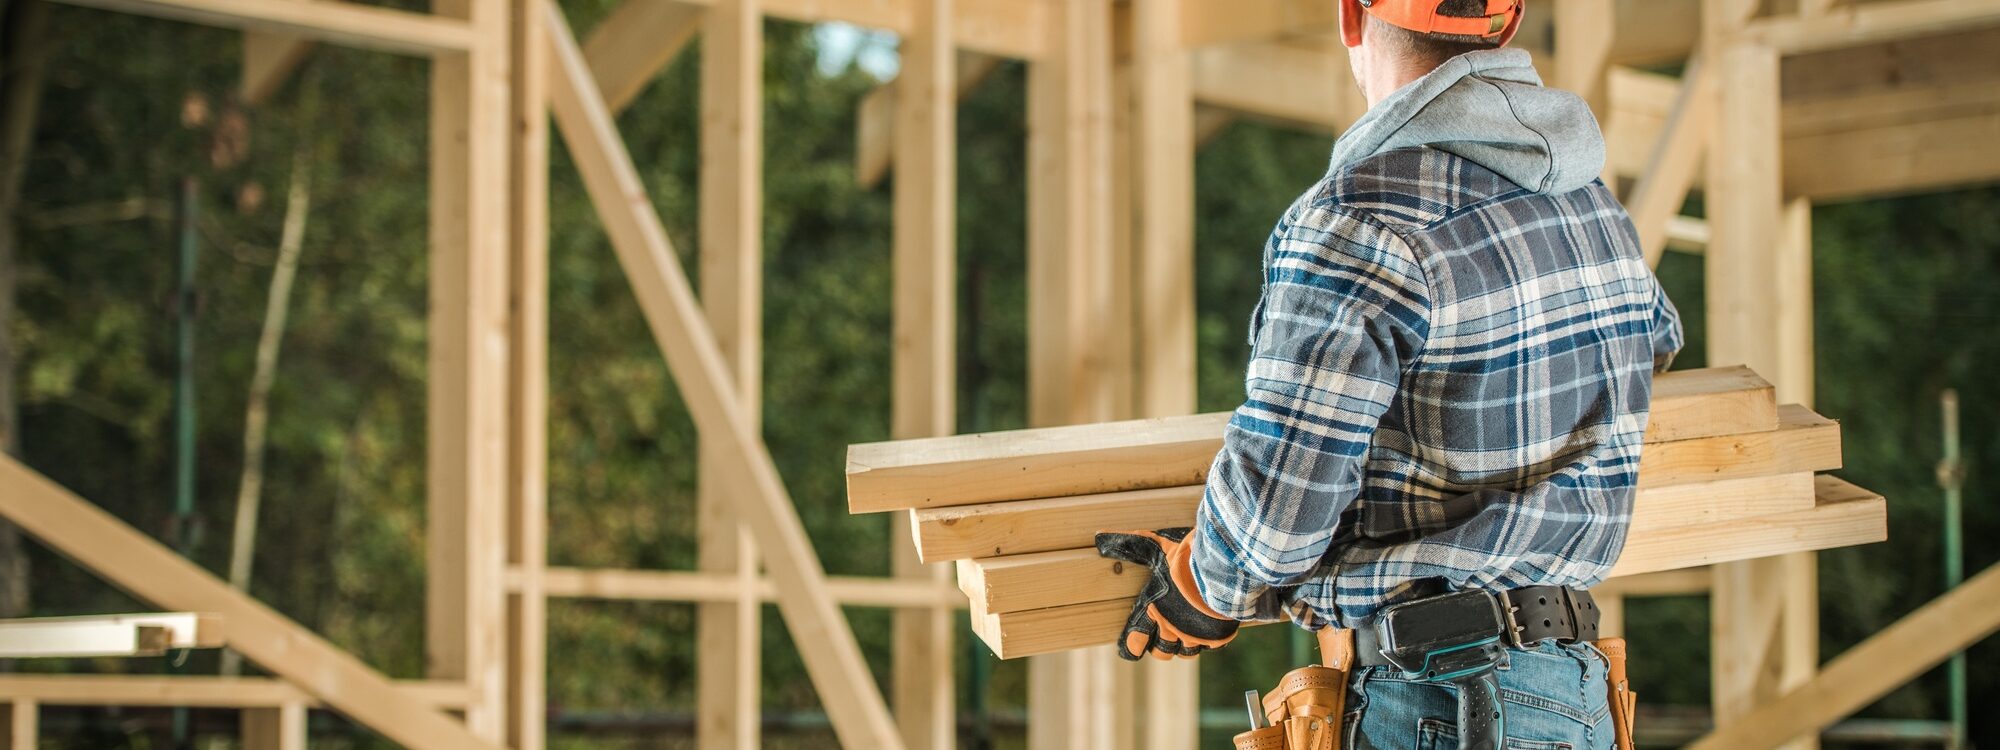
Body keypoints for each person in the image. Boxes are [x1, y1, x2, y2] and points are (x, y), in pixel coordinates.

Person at [1093, 0, 1683, 747]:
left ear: (1350, 15)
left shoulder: (1360, 221)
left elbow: (1280, 506)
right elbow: (1655, 341)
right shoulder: (1593, 208)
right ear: (1506, 22)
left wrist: (1203, 585)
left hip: (1440, 698)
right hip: (1574, 691)